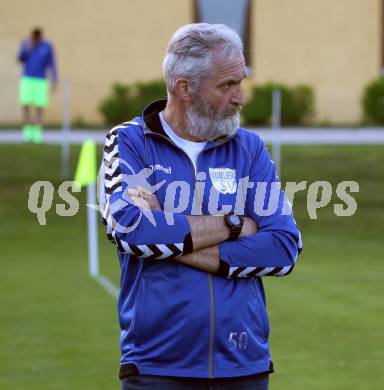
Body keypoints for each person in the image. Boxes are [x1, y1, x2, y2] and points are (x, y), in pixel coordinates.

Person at [101, 23, 302, 390]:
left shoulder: (249, 149)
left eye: (241, 82)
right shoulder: (131, 143)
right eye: (227, 85)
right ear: (184, 88)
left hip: (244, 366)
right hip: (157, 368)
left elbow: (283, 249)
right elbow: (131, 229)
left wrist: (168, 239)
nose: (240, 97)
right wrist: (235, 222)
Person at [17, 27, 58, 143]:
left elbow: (52, 63)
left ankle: (37, 132)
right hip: (27, 79)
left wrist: (54, 79)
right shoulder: (26, 43)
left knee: (40, 106)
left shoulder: (47, 46)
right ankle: (27, 132)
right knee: (26, 105)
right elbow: (20, 59)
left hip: (41, 80)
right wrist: (28, 48)